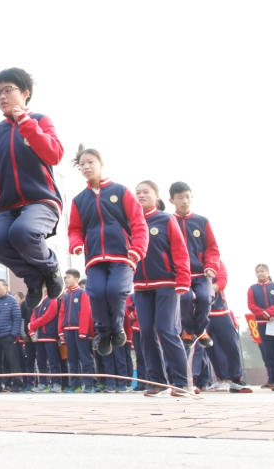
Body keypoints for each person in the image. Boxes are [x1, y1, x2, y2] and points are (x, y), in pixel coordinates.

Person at [0, 68, 65, 308]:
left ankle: (51, 269)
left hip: (41, 201)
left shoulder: (39, 120)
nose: (2, 97)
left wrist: (26, 123)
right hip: (7, 206)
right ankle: (33, 278)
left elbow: (54, 154)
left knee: (23, 232)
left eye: (8, 90)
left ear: (25, 93)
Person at [68, 146, 148, 357]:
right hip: (94, 257)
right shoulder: (79, 200)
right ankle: (104, 333)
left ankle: (117, 327)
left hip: (122, 255)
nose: (86, 167)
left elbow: (138, 222)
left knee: (115, 291)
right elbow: (75, 229)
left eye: (90, 162)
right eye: (82, 164)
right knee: (95, 293)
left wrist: (138, 248)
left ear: (101, 164)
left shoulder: (120, 191)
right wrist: (76, 243)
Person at [130, 181, 193, 396]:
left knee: (167, 331)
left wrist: (183, 280)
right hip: (140, 287)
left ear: (156, 196)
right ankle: (157, 381)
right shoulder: (130, 222)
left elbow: (180, 250)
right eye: (137, 193)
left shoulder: (166, 219)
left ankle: (182, 382)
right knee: (146, 333)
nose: (140, 195)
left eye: (145, 192)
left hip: (166, 284)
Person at [166, 182, 220, 349]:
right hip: (179, 274)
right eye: (180, 198)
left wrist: (211, 266)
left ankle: (201, 329)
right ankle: (188, 330)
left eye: (187, 197)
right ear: (171, 200)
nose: (184, 201)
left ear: (192, 198)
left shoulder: (202, 221)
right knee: (186, 298)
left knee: (205, 298)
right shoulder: (167, 221)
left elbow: (212, 247)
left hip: (201, 273)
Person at [206, 261, 252, 393]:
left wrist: (204, 289)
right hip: (201, 312)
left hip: (221, 311)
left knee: (231, 344)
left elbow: (222, 282)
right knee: (211, 349)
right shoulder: (191, 259)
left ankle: (235, 379)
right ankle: (222, 379)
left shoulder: (217, 262)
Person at [58, 269, 94, 393]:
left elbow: (85, 312)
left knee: (84, 358)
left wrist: (83, 331)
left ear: (76, 279)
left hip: (79, 330)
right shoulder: (66, 295)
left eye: (68, 277)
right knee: (71, 358)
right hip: (68, 331)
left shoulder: (83, 293)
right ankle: (74, 385)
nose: (66, 280)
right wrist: (61, 331)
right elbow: (61, 314)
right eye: (65, 278)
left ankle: (88, 384)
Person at [0, 279, 23, 393]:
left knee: (13, 361)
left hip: (8, 336)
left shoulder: (12, 301)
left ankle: (17, 384)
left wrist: (13, 334)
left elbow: (17, 319)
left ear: (5, 287)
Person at [28, 292, 62, 393]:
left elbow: (48, 317)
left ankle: (56, 383)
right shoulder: (37, 301)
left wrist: (31, 326)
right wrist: (31, 332)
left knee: (53, 361)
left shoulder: (52, 300)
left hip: (50, 335)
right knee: (40, 361)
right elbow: (33, 316)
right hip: (38, 337)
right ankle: (43, 383)